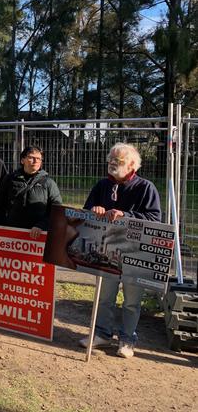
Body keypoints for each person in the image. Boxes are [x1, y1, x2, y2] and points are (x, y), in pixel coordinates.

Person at [79, 142, 161, 359]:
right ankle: (102, 334)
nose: (113, 164)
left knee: (132, 300)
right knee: (104, 296)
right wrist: (94, 211)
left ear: (133, 165)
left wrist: (126, 216)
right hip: (106, 250)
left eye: (119, 161)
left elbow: (154, 219)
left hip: (134, 253)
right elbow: (86, 212)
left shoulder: (146, 188)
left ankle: (127, 340)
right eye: (111, 160)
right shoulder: (102, 186)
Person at [0, 146, 62, 238]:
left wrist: (41, 226)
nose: (36, 161)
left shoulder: (49, 183)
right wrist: (1, 226)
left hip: (38, 235)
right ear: (22, 160)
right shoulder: (10, 179)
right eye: (31, 157)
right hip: (12, 233)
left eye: (39, 158)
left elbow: (57, 210)